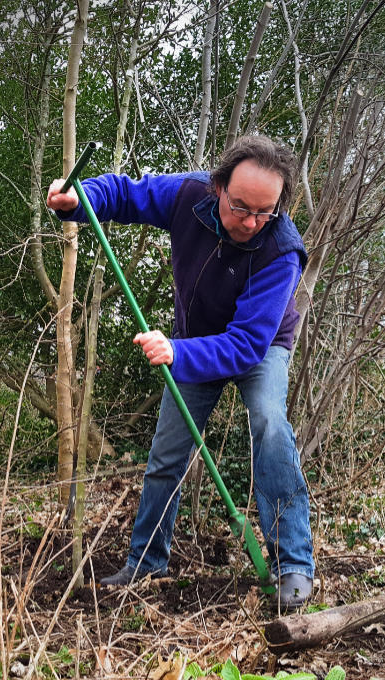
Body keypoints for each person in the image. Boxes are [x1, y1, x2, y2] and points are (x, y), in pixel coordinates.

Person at [47, 135, 314, 608]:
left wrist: (176, 352)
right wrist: (79, 198)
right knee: (168, 452)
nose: (250, 223)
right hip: (190, 340)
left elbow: (247, 343)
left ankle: (292, 564)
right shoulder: (189, 196)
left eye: (264, 213)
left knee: (270, 425)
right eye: (240, 208)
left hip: (259, 345)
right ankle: (146, 563)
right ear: (217, 187)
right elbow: (128, 193)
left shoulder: (283, 251)